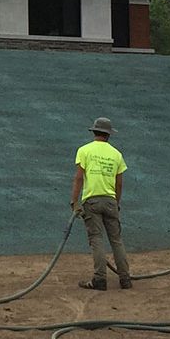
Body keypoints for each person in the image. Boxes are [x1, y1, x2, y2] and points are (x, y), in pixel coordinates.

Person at [70, 117, 130, 290]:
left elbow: (79, 178)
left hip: (92, 201)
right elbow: (119, 183)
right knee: (116, 240)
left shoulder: (84, 151)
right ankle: (125, 279)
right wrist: (116, 203)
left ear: (94, 132)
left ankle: (100, 279)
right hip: (111, 201)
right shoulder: (116, 154)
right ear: (109, 135)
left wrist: (75, 202)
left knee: (96, 239)